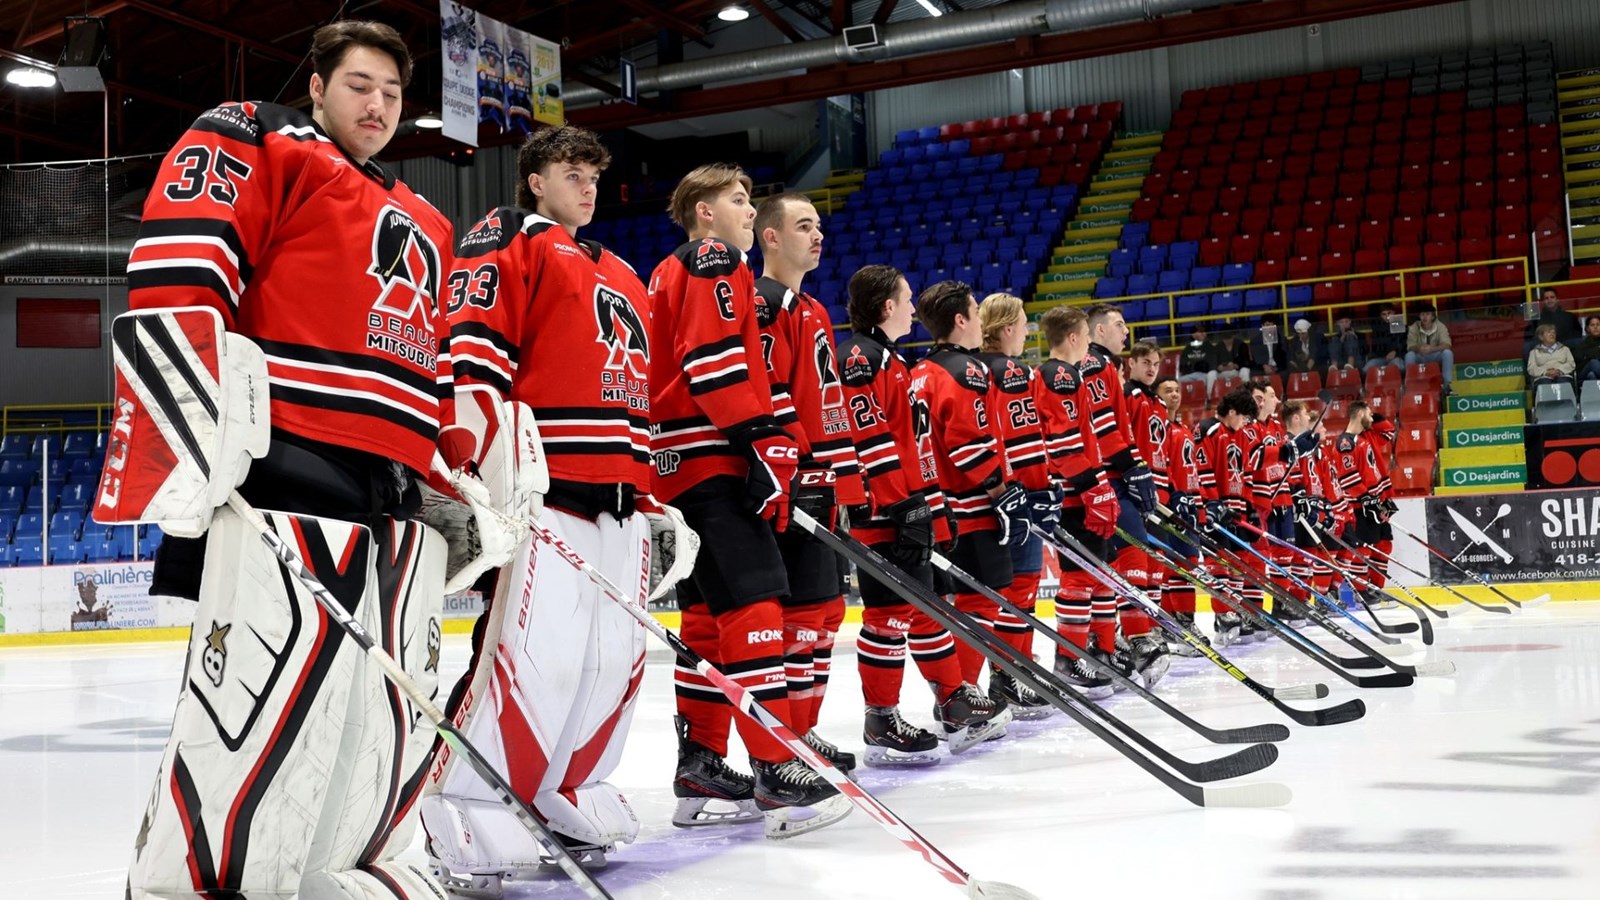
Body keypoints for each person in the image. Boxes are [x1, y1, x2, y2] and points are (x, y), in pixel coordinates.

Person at [115, 21, 464, 899]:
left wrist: (451, 476)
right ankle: (194, 884)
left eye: (391, 91)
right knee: (262, 702)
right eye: (358, 85)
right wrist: (181, 434)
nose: (377, 104)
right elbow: (182, 269)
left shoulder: (425, 216)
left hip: (388, 493)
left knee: (361, 711)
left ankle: (315, 872)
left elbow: (437, 363)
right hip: (282, 465)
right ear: (316, 86)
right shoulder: (262, 138)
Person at [424, 125, 665, 885]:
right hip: (548, 491)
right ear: (535, 180)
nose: (587, 186)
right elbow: (473, 356)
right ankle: (465, 796)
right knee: (531, 657)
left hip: (618, 501)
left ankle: (567, 783)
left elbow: (639, 398)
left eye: (594, 174)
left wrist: (653, 499)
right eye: (571, 172)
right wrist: (483, 478)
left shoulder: (623, 271)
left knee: (608, 660)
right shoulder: (511, 236)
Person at [648, 163, 849, 836]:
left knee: (706, 619)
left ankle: (702, 758)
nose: (745, 212)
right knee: (757, 600)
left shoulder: (673, 267)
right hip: (711, 457)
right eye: (736, 201)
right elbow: (712, 359)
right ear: (704, 212)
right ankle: (775, 768)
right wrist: (759, 436)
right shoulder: (711, 258)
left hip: (678, 460)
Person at [836, 267, 1008, 764]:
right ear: (887, 307)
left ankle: (953, 700)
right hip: (881, 512)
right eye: (907, 300)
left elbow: (915, 446)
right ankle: (881, 720)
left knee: (927, 607)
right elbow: (866, 439)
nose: (914, 309)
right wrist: (901, 502)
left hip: (908, 507)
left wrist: (932, 506)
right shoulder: (858, 357)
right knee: (889, 616)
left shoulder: (893, 362)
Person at [751, 191, 865, 771]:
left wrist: (844, 482)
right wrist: (795, 468)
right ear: (770, 236)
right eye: (803, 226)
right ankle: (788, 740)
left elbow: (828, 404)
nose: (817, 235)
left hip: (822, 483)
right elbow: (768, 393)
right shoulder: (762, 301)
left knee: (824, 611)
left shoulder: (813, 308)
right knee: (799, 616)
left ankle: (805, 731)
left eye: (819, 226)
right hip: (791, 483)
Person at [909, 280, 1030, 744]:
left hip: (939, 508)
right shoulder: (969, 370)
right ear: (960, 320)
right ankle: (960, 704)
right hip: (971, 508)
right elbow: (969, 442)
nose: (981, 319)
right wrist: (1003, 489)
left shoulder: (919, 370)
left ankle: (957, 700)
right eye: (976, 311)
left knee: (957, 610)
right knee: (980, 606)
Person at [975, 292, 1057, 717]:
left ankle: (1004, 674)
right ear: (1008, 328)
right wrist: (1040, 490)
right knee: (1019, 590)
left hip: (982, 498)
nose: (1027, 330)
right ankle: (1011, 676)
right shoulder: (1011, 372)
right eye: (1024, 322)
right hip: (1015, 496)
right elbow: (1021, 442)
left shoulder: (971, 369)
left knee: (999, 594)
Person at [1034, 305, 1118, 696]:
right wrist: (1094, 487)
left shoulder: (1057, 374)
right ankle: (1069, 658)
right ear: (1072, 338)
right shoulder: (1060, 375)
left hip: (1080, 490)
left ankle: (1101, 649)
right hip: (1074, 495)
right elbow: (1064, 442)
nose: (1088, 341)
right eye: (1085, 334)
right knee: (1081, 579)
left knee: (1098, 577)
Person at [1081, 303, 1162, 686]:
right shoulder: (1096, 365)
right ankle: (1132, 638)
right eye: (1119, 324)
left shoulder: (1104, 366)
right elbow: (1101, 423)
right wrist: (1133, 465)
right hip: (1106, 477)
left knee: (1118, 560)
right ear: (1098, 331)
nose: (1125, 331)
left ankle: (1117, 639)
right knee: (1128, 555)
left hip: (1110, 475)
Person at [1152, 374, 1205, 654]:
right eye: (1167, 390)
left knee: (1188, 563)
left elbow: (1192, 470)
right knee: (1165, 566)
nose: (1174, 394)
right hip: (1168, 504)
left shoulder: (1184, 428)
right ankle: (1164, 624)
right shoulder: (1158, 426)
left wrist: (1199, 504)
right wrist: (1173, 495)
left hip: (1189, 504)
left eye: (1176, 390)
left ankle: (1184, 622)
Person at [1405, 305, 1454, 392]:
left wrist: (1432, 349)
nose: (1424, 317)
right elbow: (1410, 346)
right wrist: (1418, 348)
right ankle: (1410, 384)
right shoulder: (1414, 327)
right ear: (1419, 316)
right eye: (1422, 314)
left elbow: (1447, 344)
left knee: (1447, 353)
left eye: (1427, 314)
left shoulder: (1440, 326)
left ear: (1432, 316)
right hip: (1420, 355)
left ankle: (1447, 385)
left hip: (1434, 355)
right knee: (1409, 355)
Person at [1178, 323, 1219, 392]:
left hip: (1204, 374)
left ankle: (1207, 399)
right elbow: (1182, 365)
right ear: (1193, 335)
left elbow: (1211, 364)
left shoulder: (1209, 347)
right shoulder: (1188, 348)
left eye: (1204, 331)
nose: (1203, 333)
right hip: (1190, 374)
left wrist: (1196, 365)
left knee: (1207, 378)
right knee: (1178, 381)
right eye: (1200, 332)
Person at [1366, 305, 1407, 372]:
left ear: (1393, 313)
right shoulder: (1378, 327)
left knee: (1399, 366)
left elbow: (1403, 343)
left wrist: (1395, 352)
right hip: (1381, 358)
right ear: (1380, 316)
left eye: (1389, 313)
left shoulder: (1399, 324)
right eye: (1384, 314)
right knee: (1367, 368)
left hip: (1396, 357)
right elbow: (1377, 347)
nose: (1387, 316)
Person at [1574, 316, 1600, 383]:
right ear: (1587, 328)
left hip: (1592, 374)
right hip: (1584, 372)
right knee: (1593, 363)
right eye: (1592, 325)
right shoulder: (1583, 344)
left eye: (1598, 324)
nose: (1595, 327)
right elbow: (1580, 360)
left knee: (1592, 375)